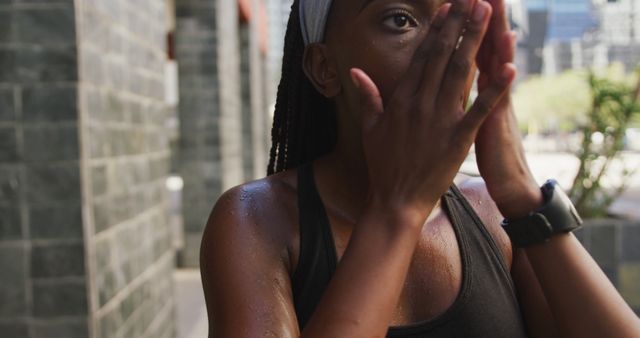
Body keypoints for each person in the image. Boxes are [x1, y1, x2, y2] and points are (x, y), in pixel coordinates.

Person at [200, 0, 640, 337]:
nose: (446, 50)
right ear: (323, 67)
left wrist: (522, 195)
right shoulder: (256, 220)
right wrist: (398, 208)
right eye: (399, 20)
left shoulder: (494, 213)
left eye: (459, 23)